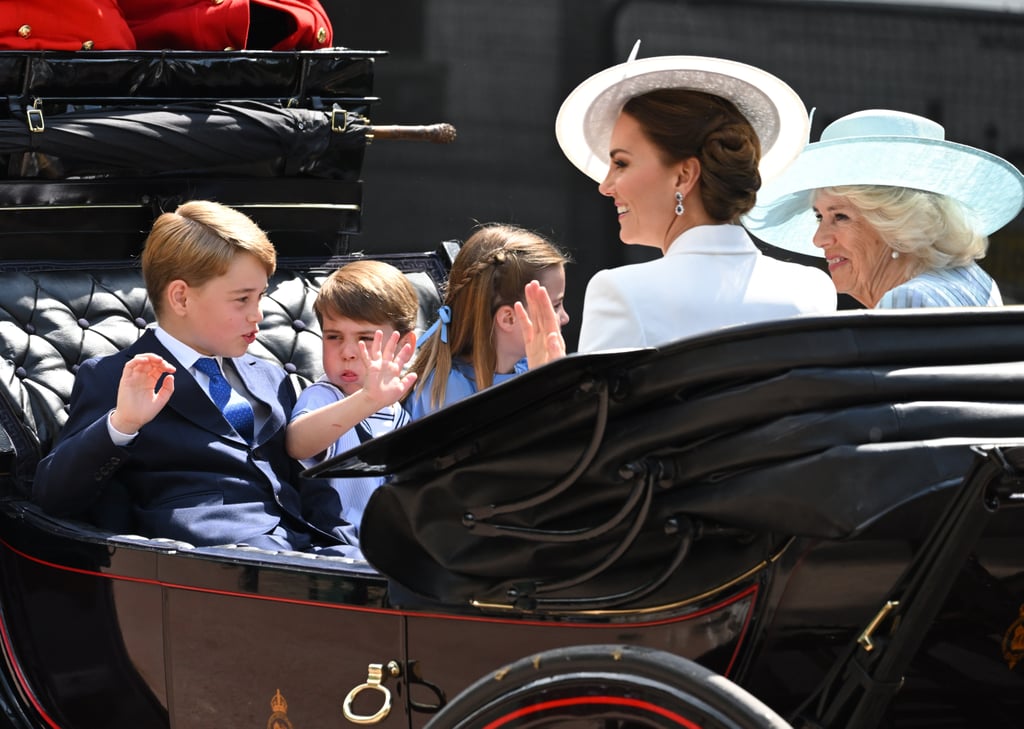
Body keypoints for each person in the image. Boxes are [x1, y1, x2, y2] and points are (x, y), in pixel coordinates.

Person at [32, 200, 356, 555]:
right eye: (242, 299)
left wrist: (350, 546)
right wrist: (122, 424)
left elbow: (307, 482)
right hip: (212, 561)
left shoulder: (269, 375)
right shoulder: (115, 378)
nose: (258, 315)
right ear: (181, 298)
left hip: (305, 548)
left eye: (261, 296)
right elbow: (53, 496)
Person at [549, 49, 836, 353]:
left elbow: (602, 403)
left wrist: (548, 381)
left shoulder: (621, 293)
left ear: (684, 176)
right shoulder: (811, 290)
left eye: (621, 163)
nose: (605, 187)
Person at [743, 109, 1024, 308]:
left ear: (899, 226)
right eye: (819, 216)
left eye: (840, 216)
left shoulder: (908, 301)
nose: (818, 239)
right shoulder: (974, 279)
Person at [286, 260, 418, 545]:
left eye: (365, 338)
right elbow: (299, 443)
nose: (347, 352)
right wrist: (367, 399)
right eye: (333, 337)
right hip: (333, 544)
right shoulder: (324, 396)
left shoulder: (398, 413)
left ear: (405, 345)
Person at [405, 223, 570, 419]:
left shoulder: (528, 365)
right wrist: (545, 384)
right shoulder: (445, 392)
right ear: (508, 318)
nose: (565, 317)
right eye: (556, 306)